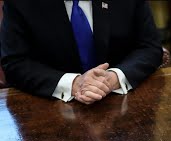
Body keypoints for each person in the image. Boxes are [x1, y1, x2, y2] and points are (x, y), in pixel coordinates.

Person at [0, 0, 162, 104]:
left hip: (123, 104)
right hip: (50, 113)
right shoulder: (20, 3)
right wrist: (74, 84)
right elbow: (15, 62)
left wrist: (113, 78)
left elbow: (149, 47)